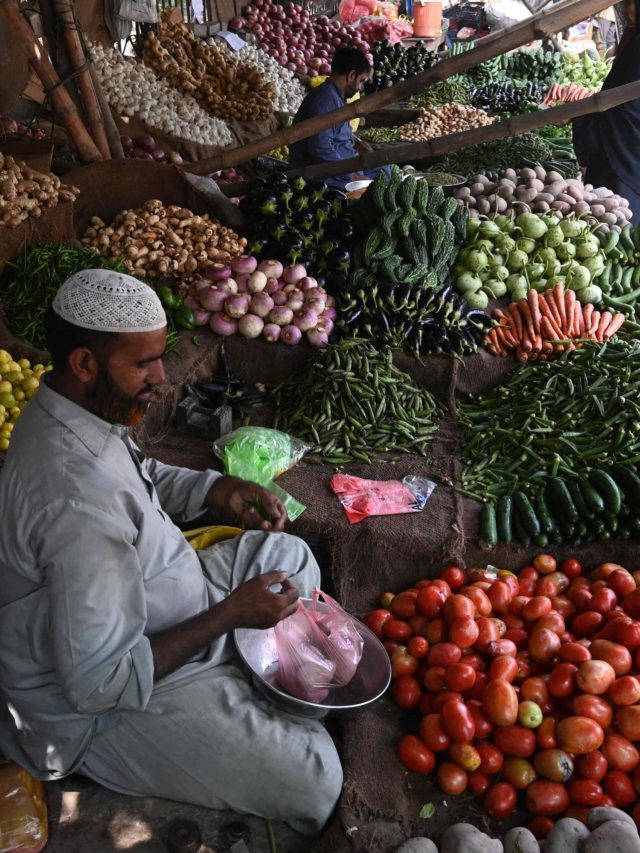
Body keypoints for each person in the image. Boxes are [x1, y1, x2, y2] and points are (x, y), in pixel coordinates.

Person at [0, 270, 342, 835]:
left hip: (161, 596)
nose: (162, 377)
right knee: (316, 779)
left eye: (161, 358)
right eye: (144, 364)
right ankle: (232, 687)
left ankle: (240, 680)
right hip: (107, 703)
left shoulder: (72, 409)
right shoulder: (74, 506)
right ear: (85, 362)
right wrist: (231, 615)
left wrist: (216, 489)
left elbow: (140, 473)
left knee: (290, 556)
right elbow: (100, 683)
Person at [572, 0, 640, 223]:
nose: (625, 10)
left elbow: (622, 105)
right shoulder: (634, 38)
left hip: (623, 148)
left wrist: (583, 114)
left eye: (630, 3)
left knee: (615, 213)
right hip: (627, 145)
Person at [290, 46, 391, 191]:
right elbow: (320, 148)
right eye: (361, 81)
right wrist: (350, 176)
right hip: (323, 174)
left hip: (344, 167)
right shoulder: (325, 99)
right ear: (351, 75)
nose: (360, 88)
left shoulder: (335, 96)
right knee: (379, 185)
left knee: (383, 168)